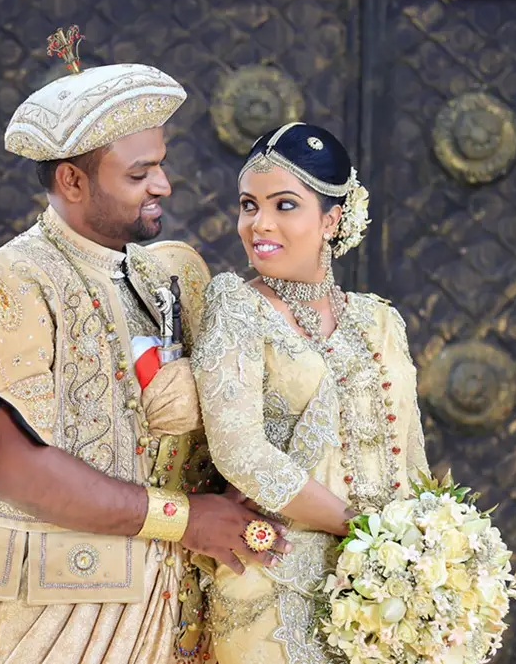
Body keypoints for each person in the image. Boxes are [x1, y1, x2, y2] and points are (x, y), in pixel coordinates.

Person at [0, 26, 289, 664]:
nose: (164, 186)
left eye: (161, 164)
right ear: (71, 181)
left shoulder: (168, 277)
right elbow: (11, 466)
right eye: (139, 173)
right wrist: (186, 519)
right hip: (51, 614)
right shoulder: (9, 282)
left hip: (173, 606)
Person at [190, 122, 431, 663]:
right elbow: (241, 452)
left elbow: (411, 455)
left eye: (284, 205)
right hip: (274, 596)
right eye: (249, 205)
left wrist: (424, 552)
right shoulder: (237, 307)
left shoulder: (379, 321)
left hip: (384, 602)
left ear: (331, 219)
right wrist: (369, 536)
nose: (260, 223)